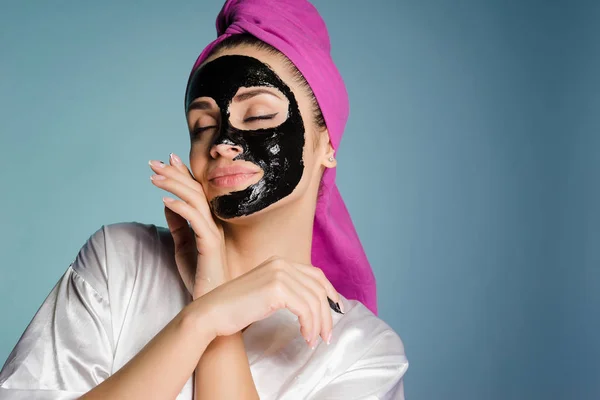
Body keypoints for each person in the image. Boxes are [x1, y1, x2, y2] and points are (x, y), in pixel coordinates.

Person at [0, 0, 408, 398]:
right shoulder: (120, 261)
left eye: (259, 117)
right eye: (203, 126)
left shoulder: (363, 351)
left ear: (328, 144)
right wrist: (203, 318)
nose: (223, 144)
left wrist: (216, 309)